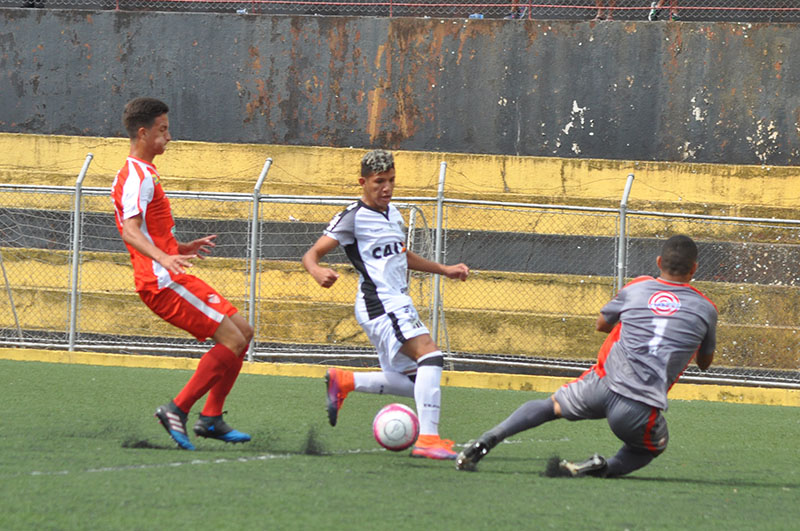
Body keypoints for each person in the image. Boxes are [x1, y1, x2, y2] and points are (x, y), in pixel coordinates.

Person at [456, 235, 717, 477]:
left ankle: (486, 440)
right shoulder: (706, 309)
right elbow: (704, 364)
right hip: (638, 404)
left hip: (601, 383)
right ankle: (598, 467)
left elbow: (602, 325)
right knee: (651, 446)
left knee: (551, 406)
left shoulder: (637, 286)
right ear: (694, 269)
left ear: (659, 262)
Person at [302, 149, 470, 460]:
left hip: (395, 300)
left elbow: (401, 256)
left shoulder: (393, 214)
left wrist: (444, 269)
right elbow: (311, 254)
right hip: (380, 302)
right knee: (431, 355)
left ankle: (347, 380)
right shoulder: (352, 217)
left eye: (392, 180)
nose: (387, 188)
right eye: (380, 181)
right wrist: (316, 270)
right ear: (362, 182)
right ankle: (428, 439)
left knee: (415, 381)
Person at [111, 97, 254, 450]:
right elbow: (130, 231)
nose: (169, 137)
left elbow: (147, 231)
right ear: (143, 133)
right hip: (161, 281)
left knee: (244, 332)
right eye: (163, 130)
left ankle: (212, 418)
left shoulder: (145, 173)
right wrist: (165, 258)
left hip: (169, 271)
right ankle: (177, 409)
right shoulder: (137, 176)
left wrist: (181, 248)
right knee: (232, 341)